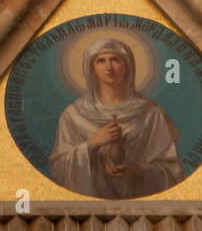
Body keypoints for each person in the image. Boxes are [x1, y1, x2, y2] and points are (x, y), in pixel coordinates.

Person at [49, 36, 184, 199]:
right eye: (101, 61)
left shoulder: (151, 114)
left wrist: (137, 169)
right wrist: (92, 144)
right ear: (91, 68)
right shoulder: (73, 115)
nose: (109, 67)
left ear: (127, 66)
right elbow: (59, 167)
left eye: (115, 60)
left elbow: (172, 171)